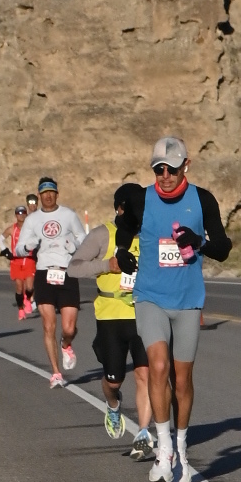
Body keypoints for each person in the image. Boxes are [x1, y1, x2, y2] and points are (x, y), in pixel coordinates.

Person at [131, 135, 234, 482]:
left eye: (171, 169)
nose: (165, 176)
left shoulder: (202, 200)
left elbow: (223, 248)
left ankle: (181, 450)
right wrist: (121, 252)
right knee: (158, 366)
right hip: (150, 298)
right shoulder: (142, 199)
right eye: (158, 169)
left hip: (188, 301)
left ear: (185, 166)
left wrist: (198, 241)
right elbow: (122, 230)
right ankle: (163, 450)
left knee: (182, 380)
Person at [87, 185, 154, 451]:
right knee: (114, 381)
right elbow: (75, 267)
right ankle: (113, 404)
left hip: (143, 312)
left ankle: (143, 433)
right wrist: (107, 265)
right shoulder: (103, 234)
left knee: (144, 375)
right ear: (119, 208)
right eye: (131, 207)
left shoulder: (150, 235)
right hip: (111, 315)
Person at [16, 178, 91, 385]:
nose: (48, 196)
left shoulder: (68, 215)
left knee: (69, 328)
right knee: (49, 325)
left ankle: (66, 344)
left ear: (57, 194)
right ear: (39, 196)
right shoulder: (32, 220)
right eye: (44, 193)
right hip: (44, 273)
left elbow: (84, 239)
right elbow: (19, 248)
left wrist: (73, 244)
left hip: (67, 272)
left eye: (51, 192)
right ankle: (56, 373)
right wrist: (28, 246)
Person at [8, 196, 40, 319]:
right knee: (24, 283)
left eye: (34, 202)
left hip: (37, 252)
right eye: (30, 203)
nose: (32, 205)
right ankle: (28, 300)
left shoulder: (41, 215)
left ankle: (31, 298)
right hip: (23, 256)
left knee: (34, 280)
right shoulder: (26, 220)